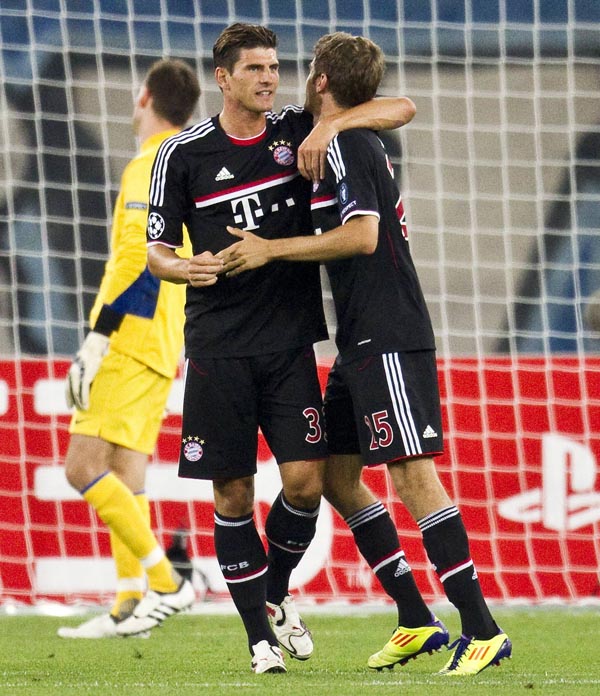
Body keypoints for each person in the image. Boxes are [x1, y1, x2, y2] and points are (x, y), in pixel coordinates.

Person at [116, 23, 416, 674]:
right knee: (232, 495)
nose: (268, 77)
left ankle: (274, 593)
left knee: (306, 483)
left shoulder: (293, 128)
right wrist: (181, 268)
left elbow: (400, 108)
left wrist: (330, 128)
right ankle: (257, 637)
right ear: (222, 79)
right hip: (219, 346)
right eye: (254, 68)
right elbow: (157, 251)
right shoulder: (184, 154)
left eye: (275, 67)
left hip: (288, 341)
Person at [219, 32, 513, 677]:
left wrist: (271, 249)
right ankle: (414, 617)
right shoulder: (336, 132)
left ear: (321, 79)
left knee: (411, 474)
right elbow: (397, 105)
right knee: (335, 477)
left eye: (303, 71)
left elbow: (361, 235)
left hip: (388, 330)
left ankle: (483, 628)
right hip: (359, 338)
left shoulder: (348, 142)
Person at [58, 59, 200, 639]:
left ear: (144, 97)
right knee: (126, 472)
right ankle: (129, 602)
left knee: (81, 468)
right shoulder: (188, 160)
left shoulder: (152, 163)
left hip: (130, 334)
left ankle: (167, 583)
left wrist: (99, 335)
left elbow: (138, 257)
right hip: (164, 337)